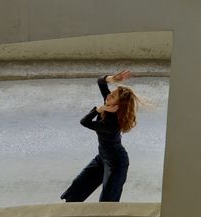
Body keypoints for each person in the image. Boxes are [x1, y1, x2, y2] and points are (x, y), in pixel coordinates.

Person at [60, 70, 141, 202]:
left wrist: (100, 109)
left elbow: (85, 122)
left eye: (113, 96)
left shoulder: (111, 124)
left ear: (118, 105)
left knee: (107, 201)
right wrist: (113, 79)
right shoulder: (109, 102)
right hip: (102, 158)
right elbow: (100, 82)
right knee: (77, 188)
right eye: (112, 93)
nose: (109, 96)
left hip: (116, 164)